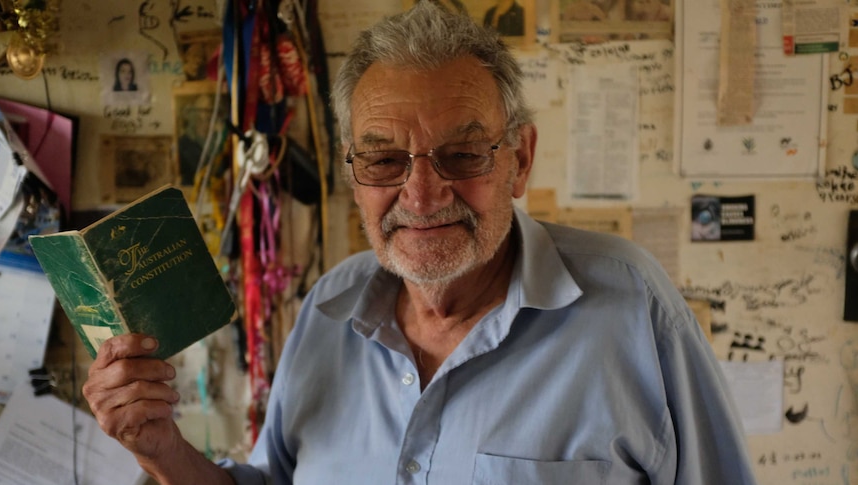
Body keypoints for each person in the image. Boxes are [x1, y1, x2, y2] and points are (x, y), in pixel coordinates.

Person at [82, 3, 759, 484]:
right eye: (383, 160)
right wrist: (163, 450)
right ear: (353, 171)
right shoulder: (327, 309)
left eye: (463, 154)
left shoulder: (633, 308)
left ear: (520, 159)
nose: (424, 194)